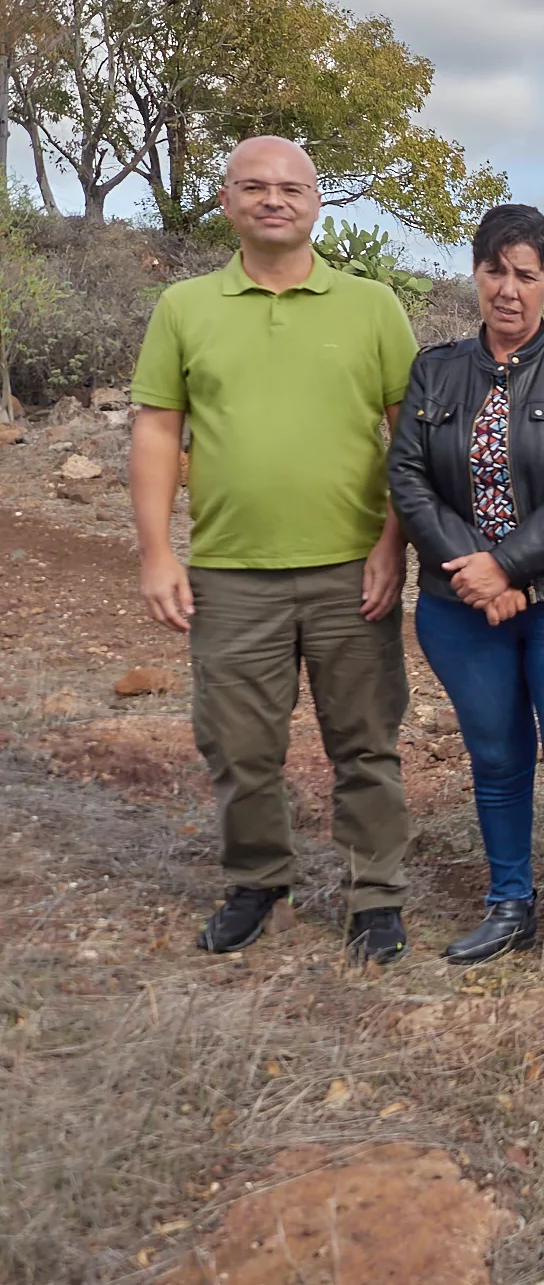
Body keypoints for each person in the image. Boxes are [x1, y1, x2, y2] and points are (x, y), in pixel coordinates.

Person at [130, 136, 417, 963]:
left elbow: (410, 441)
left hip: (351, 570)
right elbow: (157, 431)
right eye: (253, 186)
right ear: (226, 202)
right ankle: (256, 883)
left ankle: (376, 897)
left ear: (317, 201)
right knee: (239, 746)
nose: (273, 199)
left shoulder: (372, 306)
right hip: (230, 572)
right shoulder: (185, 307)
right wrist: (156, 552)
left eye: (291, 187)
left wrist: (393, 543)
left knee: (366, 743)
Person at [386, 204, 544, 997]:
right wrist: (474, 571)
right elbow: (408, 477)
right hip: (462, 607)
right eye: (495, 271)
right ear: (476, 274)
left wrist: (509, 568)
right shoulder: (435, 371)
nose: (509, 289)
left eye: (527, 274)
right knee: (495, 759)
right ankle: (510, 905)